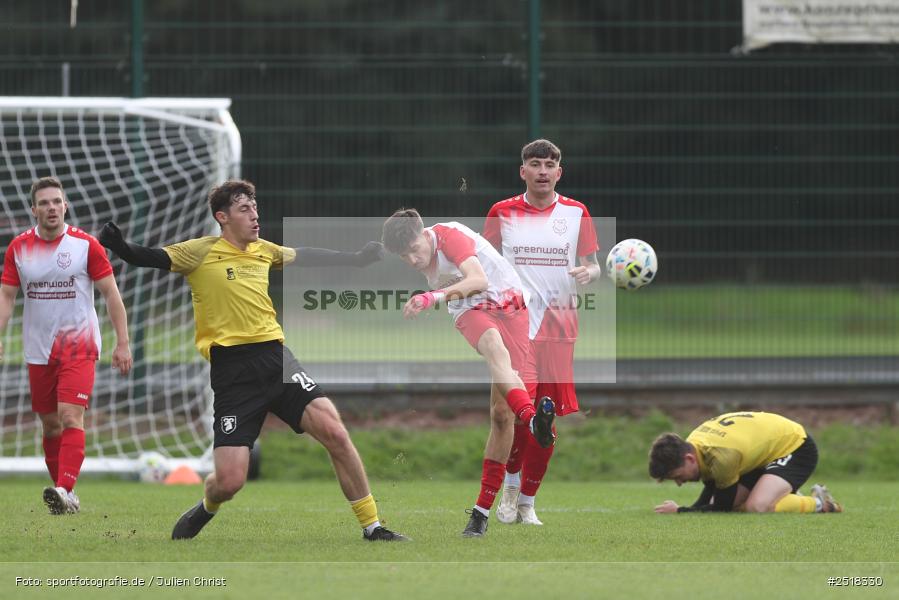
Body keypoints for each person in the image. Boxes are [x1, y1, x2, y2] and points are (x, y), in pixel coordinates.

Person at [97, 178, 408, 542]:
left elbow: (305, 255)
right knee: (229, 482)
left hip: (276, 359)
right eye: (245, 209)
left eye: (255, 208)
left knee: (336, 434)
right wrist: (119, 245)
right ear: (222, 217)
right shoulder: (199, 251)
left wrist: (356, 261)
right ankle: (206, 506)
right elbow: (148, 256)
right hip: (233, 372)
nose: (255, 216)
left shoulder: (263, 250)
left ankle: (372, 527)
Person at [381, 208, 556, 537]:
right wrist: (437, 297)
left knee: (503, 415)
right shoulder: (419, 249)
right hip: (469, 308)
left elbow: (479, 279)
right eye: (404, 257)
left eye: (414, 250)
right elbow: (469, 292)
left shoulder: (450, 237)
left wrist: (430, 296)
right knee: (493, 347)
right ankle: (534, 419)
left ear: (424, 233)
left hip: (511, 304)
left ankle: (480, 512)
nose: (413, 260)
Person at [482, 139, 600, 526]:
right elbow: (484, 267)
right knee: (517, 415)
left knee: (547, 420)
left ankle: (528, 503)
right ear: (524, 171)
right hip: (516, 329)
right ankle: (510, 491)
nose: (543, 171)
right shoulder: (502, 212)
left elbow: (593, 266)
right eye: (536, 164)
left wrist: (589, 273)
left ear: (559, 172)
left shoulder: (576, 213)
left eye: (550, 165)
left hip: (559, 327)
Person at [0, 176, 133, 515]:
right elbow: (6, 296)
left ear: (65, 206)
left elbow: (111, 294)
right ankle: (64, 495)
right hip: (38, 349)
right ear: (34, 210)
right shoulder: (19, 248)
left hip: (80, 345)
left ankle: (64, 488)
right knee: (50, 424)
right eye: (44, 203)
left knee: (70, 416)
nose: (51, 208)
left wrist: (123, 343)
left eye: (56, 201)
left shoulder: (85, 245)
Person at [648, 411, 843, 514]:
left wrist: (681, 511)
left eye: (678, 476)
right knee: (736, 504)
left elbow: (721, 507)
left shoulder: (723, 456)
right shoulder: (695, 444)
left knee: (756, 507)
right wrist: (688, 510)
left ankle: (821, 504)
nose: (679, 483)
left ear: (689, 459)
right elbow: (711, 493)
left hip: (794, 446)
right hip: (760, 455)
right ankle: (785, 492)